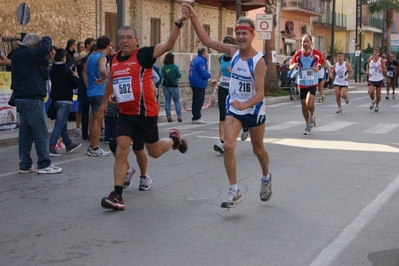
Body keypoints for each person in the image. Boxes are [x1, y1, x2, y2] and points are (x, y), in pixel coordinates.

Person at [98, 6, 189, 210]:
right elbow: (113, 80)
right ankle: (117, 195)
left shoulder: (144, 54)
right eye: (121, 37)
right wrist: (107, 100)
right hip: (126, 115)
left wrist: (178, 22)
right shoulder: (114, 60)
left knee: (154, 151)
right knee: (121, 150)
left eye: (129, 37)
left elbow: (169, 44)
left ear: (136, 40)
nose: (124, 41)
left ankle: (175, 139)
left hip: (146, 113)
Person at [184, 3, 272, 208]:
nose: (241, 37)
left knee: (258, 150)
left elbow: (260, 94)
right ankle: (234, 190)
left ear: (252, 35)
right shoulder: (232, 51)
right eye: (238, 33)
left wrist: (246, 104)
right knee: (229, 146)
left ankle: (266, 177)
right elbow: (206, 40)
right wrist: (193, 16)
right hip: (234, 108)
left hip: (254, 109)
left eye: (244, 33)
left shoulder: (258, 61)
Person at [11, 33, 62, 174]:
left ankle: (25, 164)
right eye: (38, 47)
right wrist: (47, 38)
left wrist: (46, 59)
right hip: (32, 99)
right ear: (33, 46)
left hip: (23, 98)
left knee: (26, 133)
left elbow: (41, 73)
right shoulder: (25, 54)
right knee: (40, 132)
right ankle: (44, 164)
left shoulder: (21, 56)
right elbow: (44, 48)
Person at [290, 34, 325, 135]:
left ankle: (313, 115)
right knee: (303, 106)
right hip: (302, 82)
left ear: (311, 42)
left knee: (309, 103)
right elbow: (290, 65)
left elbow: (323, 63)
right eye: (303, 42)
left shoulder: (316, 54)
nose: (305, 43)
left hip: (312, 82)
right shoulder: (298, 54)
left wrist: (318, 68)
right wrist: (293, 66)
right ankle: (307, 124)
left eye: (307, 41)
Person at [48, 48, 81, 156]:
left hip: (56, 100)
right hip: (65, 100)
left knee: (63, 123)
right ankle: (51, 146)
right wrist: (75, 75)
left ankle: (68, 144)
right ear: (63, 58)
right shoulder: (66, 70)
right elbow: (75, 84)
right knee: (59, 123)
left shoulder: (52, 69)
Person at [82, 36, 111, 156]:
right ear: (108, 46)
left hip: (91, 92)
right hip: (99, 92)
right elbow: (102, 69)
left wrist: (89, 85)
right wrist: (104, 78)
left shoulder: (91, 56)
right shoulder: (101, 57)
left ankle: (92, 146)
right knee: (98, 121)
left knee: (93, 119)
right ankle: (94, 147)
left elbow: (84, 72)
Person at [212, 36, 236, 153]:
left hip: (234, 90)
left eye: (228, 45)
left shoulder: (237, 57)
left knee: (232, 116)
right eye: (224, 45)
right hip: (223, 88)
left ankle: (241, 131)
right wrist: (216, 80)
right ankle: (222, 142)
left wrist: (234, 72)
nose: (225, 48)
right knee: (222, 115)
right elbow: (221, 70)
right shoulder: (221, 57)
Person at [189, 46, 211, 124]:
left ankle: (195, 116)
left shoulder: (194, 59)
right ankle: (197, 117)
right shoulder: (201, 61)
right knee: (199, 100)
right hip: (199, 83)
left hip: (193, 82)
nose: (207, 54)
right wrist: (209, 75)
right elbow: (203, 72)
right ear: (203, 53)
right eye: (207, 52)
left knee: (195, 100)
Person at [161, 52, 182, 122]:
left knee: (167, 101)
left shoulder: (163, 67)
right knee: (176, 101)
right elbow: (179, 75)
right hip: (173, 86)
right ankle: (179, 116)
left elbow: (161, 74)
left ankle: (168, 116)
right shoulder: (175, 67)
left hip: (165, 85)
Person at [366, 47, 386, 112]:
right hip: (372, 78)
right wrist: (367, 70)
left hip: (379, 79)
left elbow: (385, 70)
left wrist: (382, 69)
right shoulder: (370, 59)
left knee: (378, 94)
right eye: (374, 52)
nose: (375, 53)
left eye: (376, 52)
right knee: (371, 91)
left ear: (379, 53)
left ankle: (377, 105)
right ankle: (372, 101)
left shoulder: (381, 60)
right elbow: (367, 65)